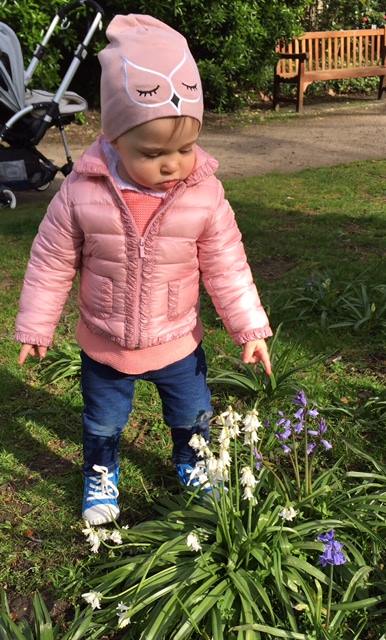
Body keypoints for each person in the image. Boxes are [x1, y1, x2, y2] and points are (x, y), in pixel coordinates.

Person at [15, 14, 272, 525]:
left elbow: (227, 263)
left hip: (178, 339)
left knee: (191, 415)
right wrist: (36, 326)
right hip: (106, 343)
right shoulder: (83, 192)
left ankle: (192, 460)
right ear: (113, 137)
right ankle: (101, 473)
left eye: (184, 147)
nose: (172, 163)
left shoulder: (203, 193)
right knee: (103, 421)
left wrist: (249, 327)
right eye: (152, 153)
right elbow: (51, 261)